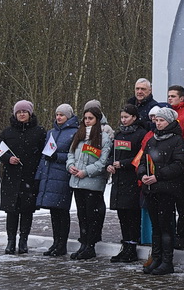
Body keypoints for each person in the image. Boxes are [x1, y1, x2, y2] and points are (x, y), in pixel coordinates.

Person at [138, 107, 184, 276]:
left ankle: (167, 261)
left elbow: (179, 165)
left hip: (166, 190)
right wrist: (143, 174)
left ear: (170, 122)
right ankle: (157, 258)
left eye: (161, 120)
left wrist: (158, 176)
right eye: (156, 120)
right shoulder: (152, 140)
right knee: (156, 227)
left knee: (166, 226)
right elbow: (143, 160)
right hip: (151, 190)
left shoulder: (177, 141)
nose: (158, 123)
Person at [0, 100, 46, 255]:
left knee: (27, 211)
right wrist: (8, 159)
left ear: (30, 114)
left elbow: (45, 153)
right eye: (19, 112)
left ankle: (23, 241)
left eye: (24, 112)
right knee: (11, 212)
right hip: (11, 178)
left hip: (30, 178)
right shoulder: (7, 132)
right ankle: (11, 241)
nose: (22, 114)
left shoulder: (40, 132)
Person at [66, 103, 112, 260]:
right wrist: (70, 166)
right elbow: (71, 154)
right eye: (85, 118)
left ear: (97, 120)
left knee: (92, 215)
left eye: (90, 118)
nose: (87, 121)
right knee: (81, 215)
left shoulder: (104, 137)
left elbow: (102, 162)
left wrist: (86, 171)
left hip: (93, 182)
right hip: (77, 182)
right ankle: (83, 243)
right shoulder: (78, 135)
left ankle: (90, 245)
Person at [35, 103, 79, 256]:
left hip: (63, 175)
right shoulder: (51, 133)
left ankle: (62, 244)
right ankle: (55, 242)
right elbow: (44, 154)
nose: (58, 117)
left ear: (68, 116)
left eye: (62, 115)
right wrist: (39, 175)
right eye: (57, 114)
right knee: (53, 211)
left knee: (62, 210)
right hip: (49, 175)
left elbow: (75, 155)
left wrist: (57, 157)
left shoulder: (75, 132)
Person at [106, 104, 147, 263]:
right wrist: (110, 164)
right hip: (118, 180)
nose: (123, 120)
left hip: (131, 179)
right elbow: (111, 153)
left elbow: (140, 157)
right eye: (122, 117)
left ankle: (132, 246)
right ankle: (125, 244)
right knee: (122, 214)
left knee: (132, 215)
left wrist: (123, 163)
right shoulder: (119, 134)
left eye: (126, 117)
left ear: (134, 117)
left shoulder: (140, 134)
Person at [167, 84, 184, 250]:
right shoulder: (166, 113)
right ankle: (169, 232)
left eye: (173, 96)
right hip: (167, 162)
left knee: (181, 203)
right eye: (169, 96)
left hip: (181, 164)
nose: (170, 98)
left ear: (182, 98)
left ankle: (181, 234)